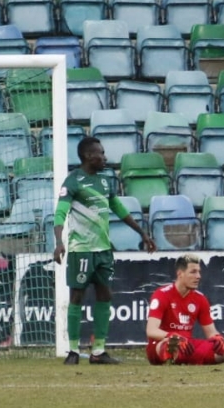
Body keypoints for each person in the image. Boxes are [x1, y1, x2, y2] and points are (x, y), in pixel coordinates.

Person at [53, 136, 156, 365]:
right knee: (77, 295)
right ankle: (73, 350)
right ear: (89, 155)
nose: (105, 157)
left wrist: (142, 233)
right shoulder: (73, 182)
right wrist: (59, 242)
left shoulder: (104, 181)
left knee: (105, 294)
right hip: (81, 250)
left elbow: (118, 208)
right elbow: (60, 213)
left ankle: (98, 351)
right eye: (101, 153)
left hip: (103, 250)